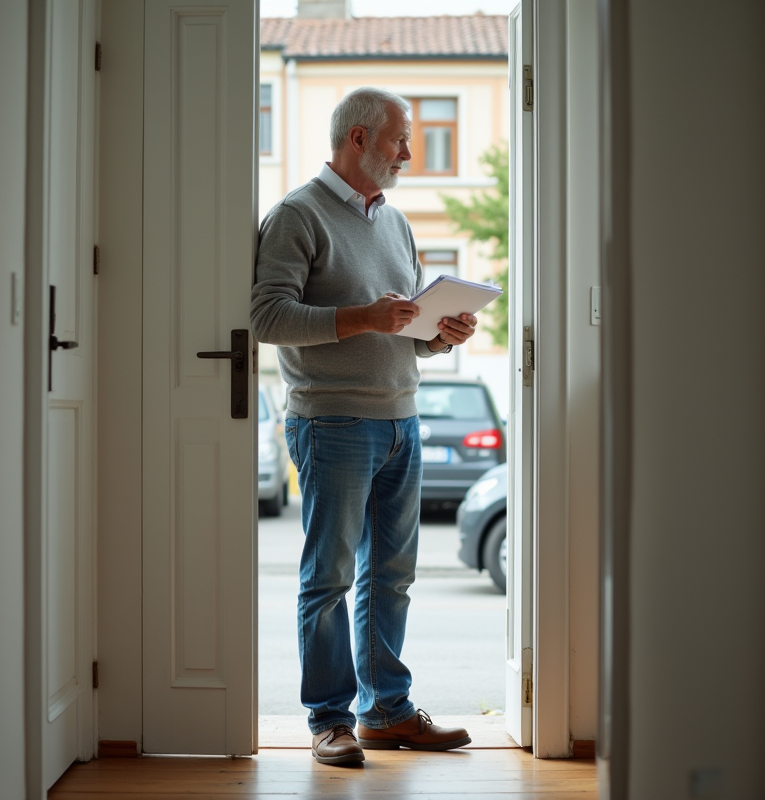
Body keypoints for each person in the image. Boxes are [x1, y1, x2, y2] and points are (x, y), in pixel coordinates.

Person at [250, 87, 479, 766]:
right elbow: (267, 319)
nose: (409, 152)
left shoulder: (396, 223)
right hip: (333, 422)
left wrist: (444, 334)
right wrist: (363, 317)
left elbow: (402, 329)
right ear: (357, 138)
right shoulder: (296, 215)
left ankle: (386, 711)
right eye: (399, 140)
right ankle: (329, 719)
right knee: (329, 577)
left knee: (393, 576)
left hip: (401, 419)